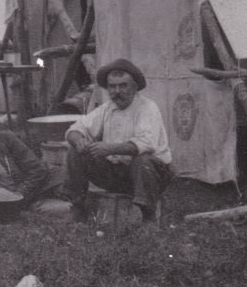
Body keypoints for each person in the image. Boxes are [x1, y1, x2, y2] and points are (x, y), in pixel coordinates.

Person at [64, 58, 173, 223]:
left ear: (135, 87)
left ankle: (148, 217)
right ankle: (78, 207)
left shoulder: (147, 107)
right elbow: (75, 128)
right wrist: (79, 140)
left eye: (123, 86)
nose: (117, 91)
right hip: (118, 174)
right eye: (112, 87)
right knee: (75, 152)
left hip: (153, 174)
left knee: (142, 161)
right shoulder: (107, 108)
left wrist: (110, 148)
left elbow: (146, 143)